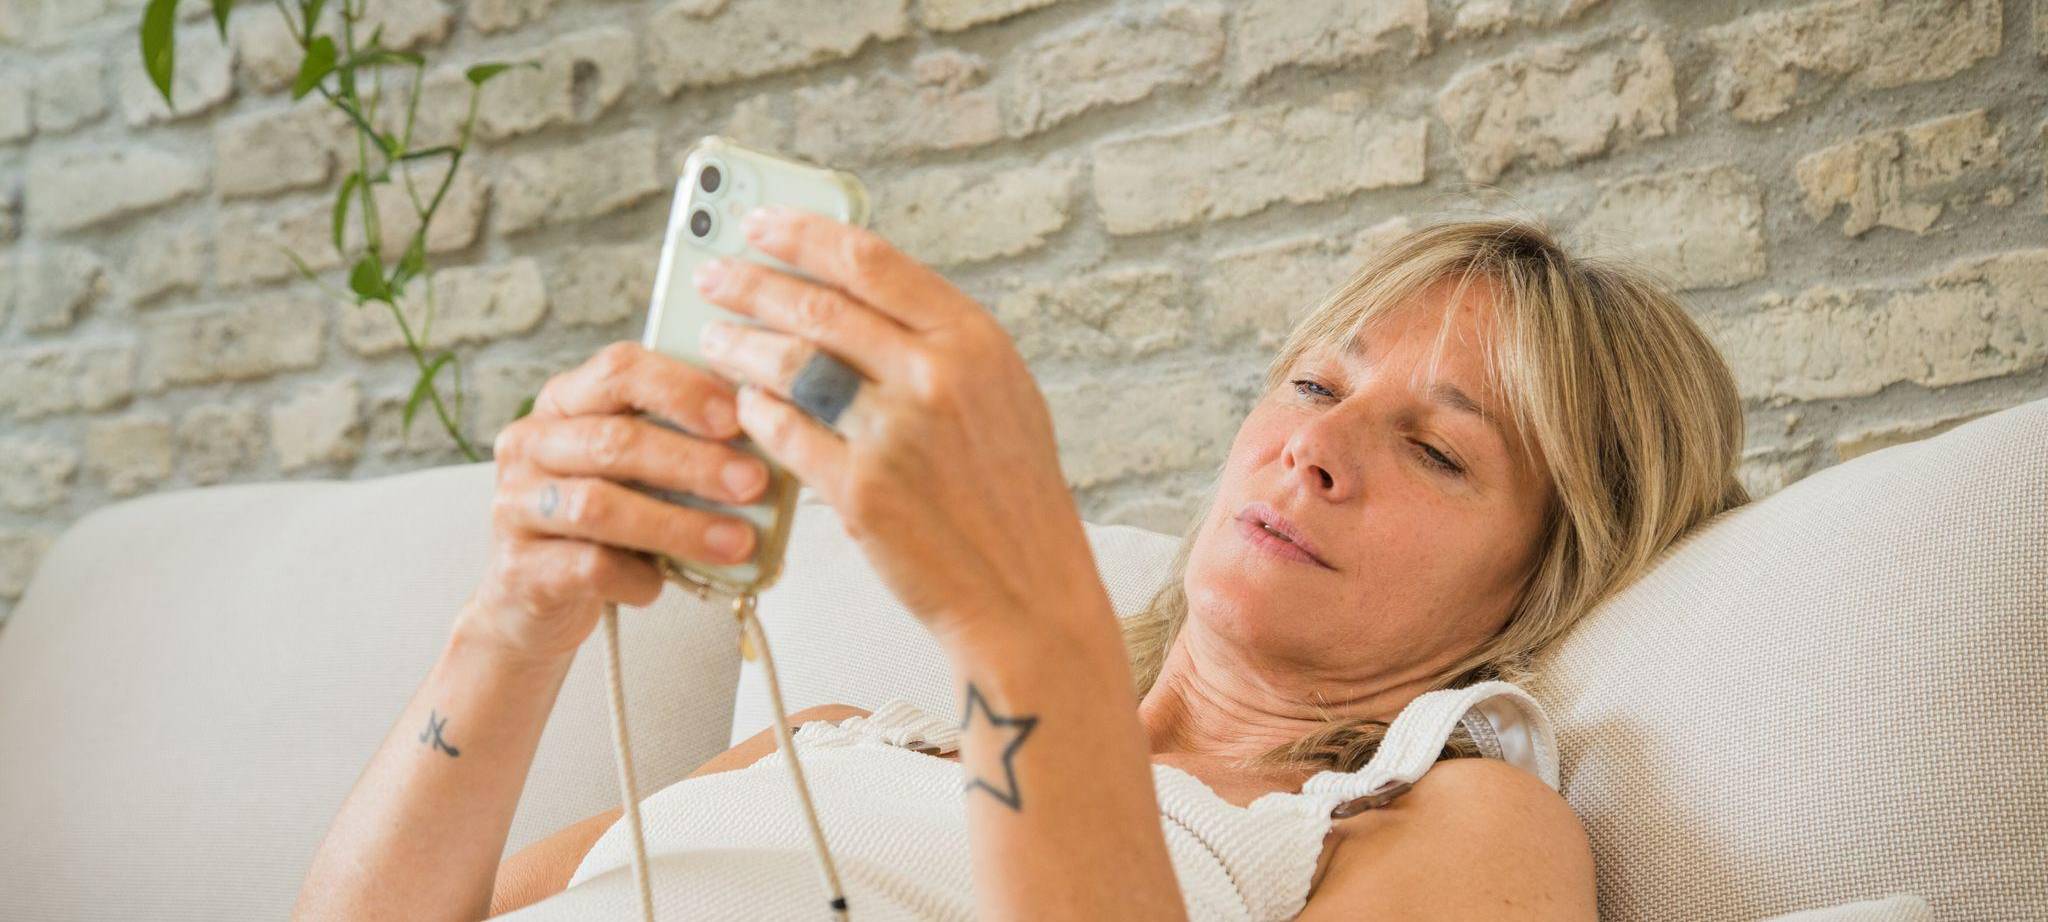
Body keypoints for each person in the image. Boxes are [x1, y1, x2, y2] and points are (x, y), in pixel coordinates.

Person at [294, 211, 1750, 920]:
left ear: (1548, 574)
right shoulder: (826, 742)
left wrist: (1020, 609)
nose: (1319, 450)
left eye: (1440, 450)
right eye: (1314, 387)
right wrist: (515, 614)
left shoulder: (1452, 825)